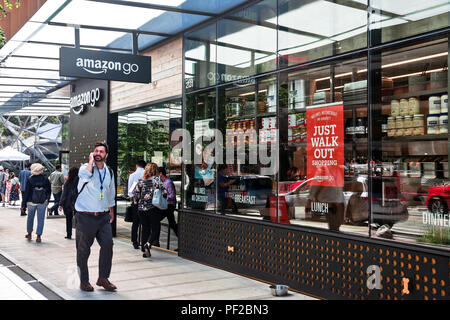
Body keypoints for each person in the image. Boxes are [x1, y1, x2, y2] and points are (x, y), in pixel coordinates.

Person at [74, 142, 116, 292]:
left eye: (101, 151)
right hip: (85, 216)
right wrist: (91, 162)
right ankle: (84, 281)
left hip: (103, 216)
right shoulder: (85, 168)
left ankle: (103, 278)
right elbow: (84, 176)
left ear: (106, 155)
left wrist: (111, 210)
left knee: (107, 245)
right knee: (83, 250)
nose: (98, 153)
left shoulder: (109, 172)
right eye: (96, 151)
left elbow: (110, 192)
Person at [133, 163, 166, 258]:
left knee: (145, 229)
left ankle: (144, 251)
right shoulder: (156, 180)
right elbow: (164, 192)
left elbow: (136, 196)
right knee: (156, 229)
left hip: (141, 209)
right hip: (153, 208)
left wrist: (138, 202)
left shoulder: (140, 181)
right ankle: (148, 244)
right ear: (155, 170)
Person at [23, 163, 51, 243]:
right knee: (41, 219)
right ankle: (38, 236)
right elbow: (49, 190)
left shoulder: (30, 179)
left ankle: (29, 233)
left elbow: (26, 192)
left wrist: (23, 204)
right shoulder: (45, 179)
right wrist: (47, 199)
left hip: (31, 201)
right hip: (42, 201)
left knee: (30, 218)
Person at [156, 167, 178, 243]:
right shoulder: (161, 182)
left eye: (156, 173)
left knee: (156, 219)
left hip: (169, 205)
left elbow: (172, 195)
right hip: (165, 205)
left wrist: (163, 198)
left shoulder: (168, 182)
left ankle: (155, 241)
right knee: (172, 223)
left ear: (160, 173)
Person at [127, 160, 146, 249]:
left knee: (135, 222)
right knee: (145, 223)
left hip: (135, 201)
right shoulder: (147, 174)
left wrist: (132, 197)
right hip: (145, 202)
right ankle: (144, 242)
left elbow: (130, 190)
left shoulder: (132, 175)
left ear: (136, 166)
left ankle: (135, 241)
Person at [58, 167, 79, 240]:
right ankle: (79, 235)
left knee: (68, 219)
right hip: (77, 203)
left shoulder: (68, 182)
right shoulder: (79, 182)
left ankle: (69, 234)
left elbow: (64, 194)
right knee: (78, 220)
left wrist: (60, 204)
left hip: (68, 203)